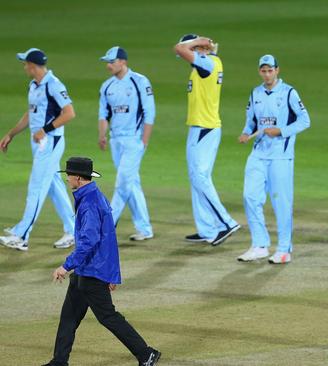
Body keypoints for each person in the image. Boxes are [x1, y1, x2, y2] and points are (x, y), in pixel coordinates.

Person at [44, 157, 160, 366]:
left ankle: (146, 354)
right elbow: (108, 239)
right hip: (86, 270)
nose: (67, 179)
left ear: (77, 178)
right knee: (69, 318)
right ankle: (59, 361)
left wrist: (66, 266)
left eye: (69, 176)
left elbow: (90, 241)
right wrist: (111, 273)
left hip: (92, 272)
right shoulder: (93, 196)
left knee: (108, 317)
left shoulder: (89, 203)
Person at [236, 54, 310, 264]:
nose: (267, 74)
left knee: (281, 202)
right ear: (260, 71)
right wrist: (245, 133)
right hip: (258, 154)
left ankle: (284, 249)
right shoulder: (255, 93)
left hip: (281, 155)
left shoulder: (289, 93)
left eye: (270, 70)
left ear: (277, 70)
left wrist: (281, 131)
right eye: (263, 70)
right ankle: (259, 245)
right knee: (250, 196)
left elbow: (305, 120)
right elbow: (251, 122)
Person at [0, 48, 76, 251]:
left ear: (33, 65)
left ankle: (21, 235)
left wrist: (46, 129)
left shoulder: (54, 85)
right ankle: (74, 229)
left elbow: (69, 113)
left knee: (36, 187)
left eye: (25, 64)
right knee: (53, 186)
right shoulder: (33, 85)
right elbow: (30, 113)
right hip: (40, 143)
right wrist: (11, 133)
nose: (24, 67)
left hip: (50, 142)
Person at [174, 34, 240, 245]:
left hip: (205, 128)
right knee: (197, 178)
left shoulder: (207, 63)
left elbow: (179, 49)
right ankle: (207, 229)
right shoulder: (205, 64)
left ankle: (226, 223)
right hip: (201, 128)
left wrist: (198, 42)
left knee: (200, 178)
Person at [98, 46, 155, 241]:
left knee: (122, 182)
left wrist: (144, 141)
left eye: (112, 62)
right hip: (116, 140)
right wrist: (102, 135)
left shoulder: (139, 81)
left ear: (123, 61)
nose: (108, 65)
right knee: (131, 183)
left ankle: (107, 227)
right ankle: (145, 228)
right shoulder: (107, 86)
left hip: (134, 140)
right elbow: (104, 114)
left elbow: (150, 112)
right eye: (107, 62)